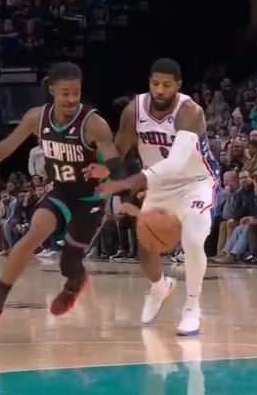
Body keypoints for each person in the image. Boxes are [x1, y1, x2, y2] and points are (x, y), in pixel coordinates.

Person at [0, 62, 128, 332]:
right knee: (35, 232)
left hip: (90, 199)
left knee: (69, 263)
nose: (71, 99)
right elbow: (4, 149)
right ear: (52, 90)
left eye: (76, 93)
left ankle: (75, 283)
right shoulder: (36, 118)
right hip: (62, 191)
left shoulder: (93, 124)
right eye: (65, 93)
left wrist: (107, 171)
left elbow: (116, 162)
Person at [86, 58, 219, 336]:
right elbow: (119, 150)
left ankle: (192, 306)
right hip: (159, 184)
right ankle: (160, 287)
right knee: (146, 248)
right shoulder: (134, 110)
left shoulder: (190, 112)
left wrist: (132, 181)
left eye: (166, 85)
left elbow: (177, 163)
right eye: (155, 83)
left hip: (194, 182)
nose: (159, 90)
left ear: (178, 85)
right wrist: (102, 174)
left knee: (193, 236)